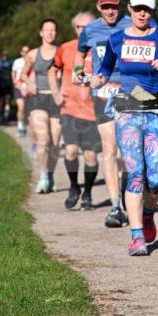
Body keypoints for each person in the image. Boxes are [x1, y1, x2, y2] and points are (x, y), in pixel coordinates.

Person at [89, 0, 158, 257]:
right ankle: (136, 236)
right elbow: (106, 69)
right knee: (135, 173)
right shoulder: (116, 39)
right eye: (138, 8)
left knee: (155, 179)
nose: (142, 14)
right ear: (129, 9)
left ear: (152, 12)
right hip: (127, 109)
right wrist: (99, 79)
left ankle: (149, 214)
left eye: (147, 10)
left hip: (154, 110)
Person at [77, 0, 133, 227]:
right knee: (109, 149)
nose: (110, 11)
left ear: (120, 6)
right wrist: (80, 72)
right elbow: (80, 56)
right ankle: (115, 206)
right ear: (98, 7)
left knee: (125, 151)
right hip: (102, 91)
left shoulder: (132, 24)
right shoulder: (90, 30)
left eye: (114, 6)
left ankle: (125, 196)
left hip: (131, 91)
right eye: (105, 7)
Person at [49, 12, 100, 210]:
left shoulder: (100, 49)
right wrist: (55, 92)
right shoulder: (66, 48)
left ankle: (87, 192)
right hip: (69, 108)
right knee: (70, 151)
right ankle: (73, 187)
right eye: (80, 27)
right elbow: (52, 69)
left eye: (87, 27)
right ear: (75, 29)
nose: (83, 31)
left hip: (93, 110)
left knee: (90, 156)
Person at [21, 19, 61, 193]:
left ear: (56, 33)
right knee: (43, 141)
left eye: (53, 30)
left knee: (55, 144)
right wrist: (30, 82)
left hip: (56, 100)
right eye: (47, 30)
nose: (50, 33)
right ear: (41, 33)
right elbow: (23, 74)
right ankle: (43, 177)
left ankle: (50, 175)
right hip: (38, 99)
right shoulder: (33, 54)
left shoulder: (61, 52)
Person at [12, 46, 30, 136]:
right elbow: (13, 73)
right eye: (24, 51)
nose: (26, 53)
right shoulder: (17, 61)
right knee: (21, 108)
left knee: (27, 110)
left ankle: (26, 126)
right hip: (19, 87)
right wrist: (15, 81)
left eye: (28, 51)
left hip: (28, 88)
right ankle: (20, 127)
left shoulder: (31, 61)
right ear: (21, 52)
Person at [0, 51, 13, 123]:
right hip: (0, 85)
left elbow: (13, 72)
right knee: (1, 102)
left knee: (7, 101)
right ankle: (1, 117)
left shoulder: (10, 63)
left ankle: (6, 117)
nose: (5, 56)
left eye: (5, 55)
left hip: (8, 85)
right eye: (3, 55)